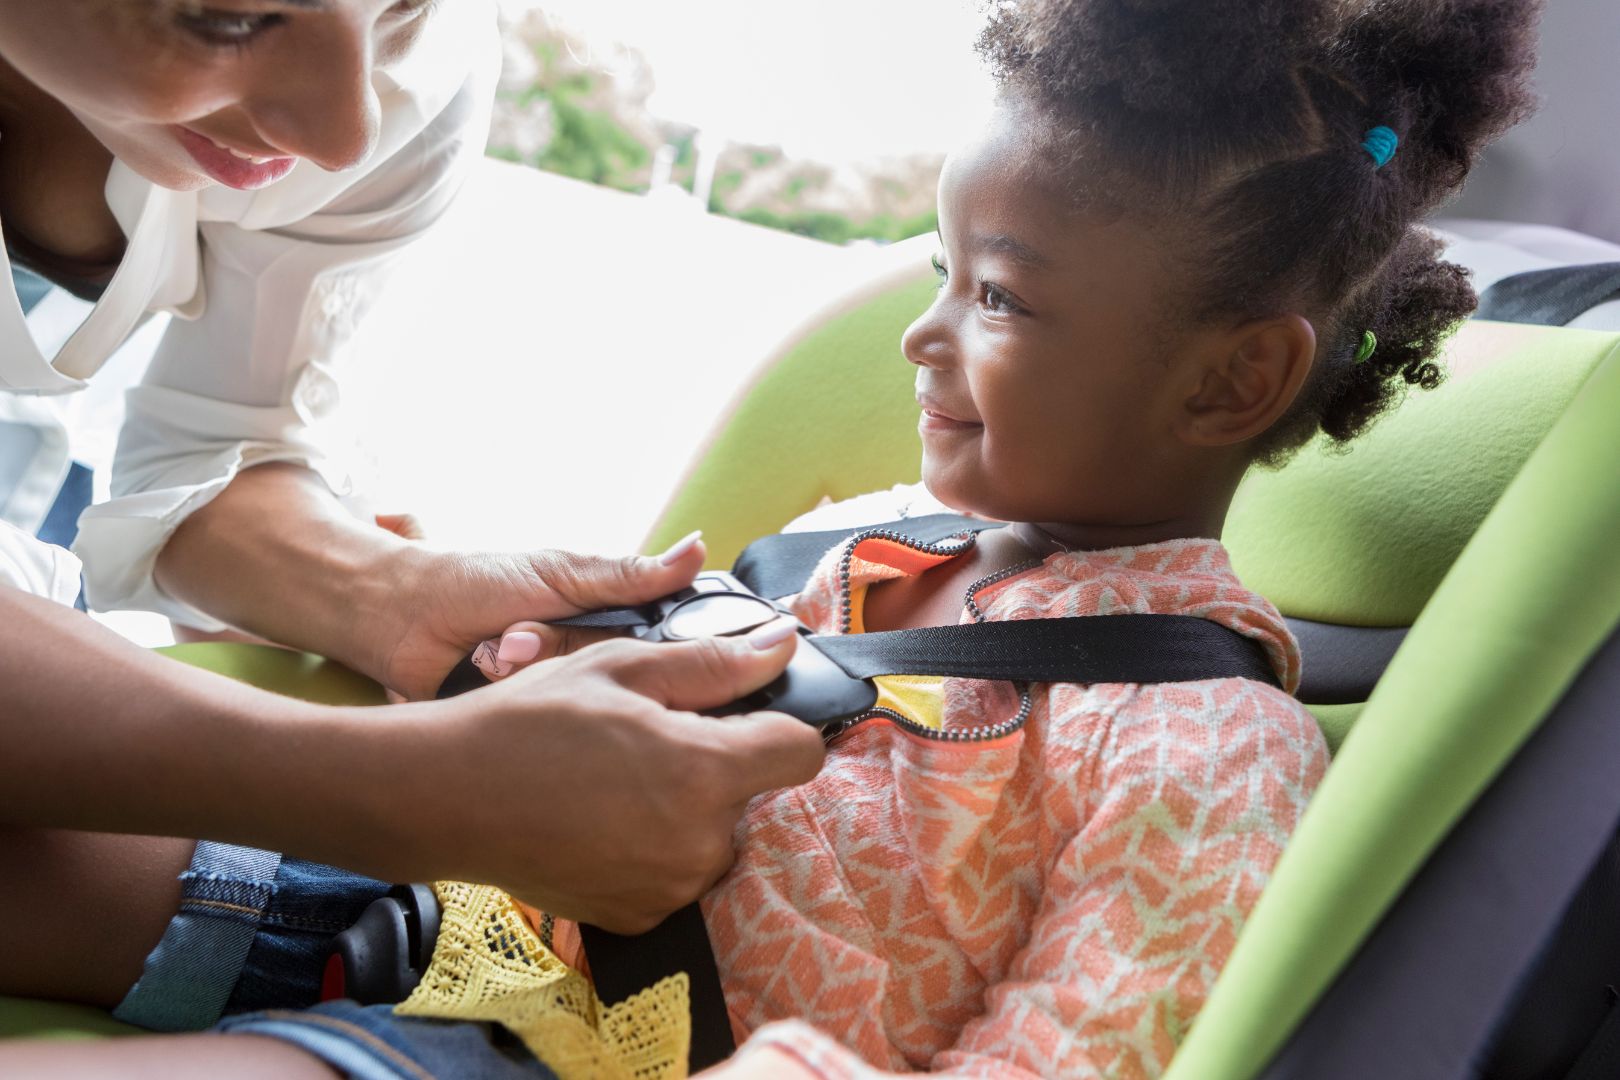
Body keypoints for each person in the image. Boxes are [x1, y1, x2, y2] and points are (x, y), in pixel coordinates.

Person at [0, 0, 1542, 1075]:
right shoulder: (868, 543)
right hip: (444, 906)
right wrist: (545, 671)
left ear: (1231, 380)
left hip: (568, 1058)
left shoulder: (1203, 756)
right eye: (938, 275)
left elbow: (1072, 1051)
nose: (922, 338)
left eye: (999, 297)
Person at [0, 0, 825, 1058]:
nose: (346, 129)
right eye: (229, 18)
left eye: (403, 9)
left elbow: (217, 449)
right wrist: (401, 791)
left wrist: (391, 593)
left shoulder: (396, 87)